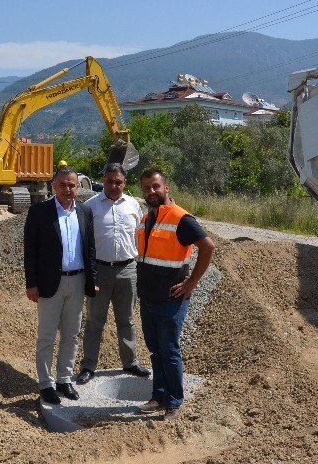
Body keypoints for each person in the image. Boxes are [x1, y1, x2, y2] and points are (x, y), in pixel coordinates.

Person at [135, 168, 214, 421]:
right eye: (146, 188)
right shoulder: (148, 218)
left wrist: (192, 282)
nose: (151, 192)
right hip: (149, 296)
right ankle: (158, 396)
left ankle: (173, 402)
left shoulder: (181, 218)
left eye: (156, 186)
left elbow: (208, 246)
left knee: (168, 350)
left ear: (166, 188)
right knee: (155, 349)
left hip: (172, 298)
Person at [24, 166, 97, 405]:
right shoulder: (39, 212)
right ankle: (46, 383)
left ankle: (64, 379)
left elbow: (90, 250)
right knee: (46, 336)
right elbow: (30, 252)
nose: (68, 189)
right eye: (63, 184)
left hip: (77, 281)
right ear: (53, 186)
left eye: (72, 185)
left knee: (71, 334)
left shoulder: (85, 212)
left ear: (78, 186)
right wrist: (32, 283)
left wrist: (92, 281)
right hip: (49, 283)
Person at [75, 163, 150, 384]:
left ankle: (130, 362)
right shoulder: (90, 206)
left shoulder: (134, 206)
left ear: (125, 182)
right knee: (94, 321)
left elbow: (140, 235)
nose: (114, 186)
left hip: (128, 269)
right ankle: (88, 366)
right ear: (103, 182)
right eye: (109, 181)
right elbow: (83, 240)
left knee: (126, 319)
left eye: (118, 182)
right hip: (99, 270)